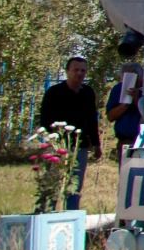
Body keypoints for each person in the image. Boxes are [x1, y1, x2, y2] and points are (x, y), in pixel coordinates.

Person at [36, 55, 99, 210]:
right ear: (67, 71)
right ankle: (47, 212)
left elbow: (92, 119)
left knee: (75, 185)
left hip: (80, 145)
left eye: (83, 70)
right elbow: (45, 120)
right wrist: (51, 142)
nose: (79, 73)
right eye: (76, 70)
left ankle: (71, 215)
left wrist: (96, 144)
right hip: (58, 145)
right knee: (53, 183)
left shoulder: (88, 93)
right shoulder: (54, 92)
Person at [105, 64, 144, 154]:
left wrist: (137, 99)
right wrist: (125, 104)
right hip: (125, 141)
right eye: (125, 79)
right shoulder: (118, 88)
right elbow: (110, 117)